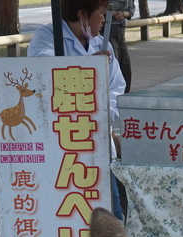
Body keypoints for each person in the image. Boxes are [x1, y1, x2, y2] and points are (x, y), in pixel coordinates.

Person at [28, 0, 127, 220]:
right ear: (82, 14)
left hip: (95, 140)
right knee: (66, 211)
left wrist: (100, 114)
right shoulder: (48, 36)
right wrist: (87, 69)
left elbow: (117, 89)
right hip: (61, 143)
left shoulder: (103, 45)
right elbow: (41, 69)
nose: (103, 19)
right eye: (100, 13)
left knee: (111, 213)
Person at [107, 0, 135, 91]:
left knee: (125, 65)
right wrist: (113, 13)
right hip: (107, 30)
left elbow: (131, 11)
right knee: (114, 62)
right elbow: (97, 8)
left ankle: (126, 94)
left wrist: (124, 14)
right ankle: (113, 94)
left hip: (121, 32)